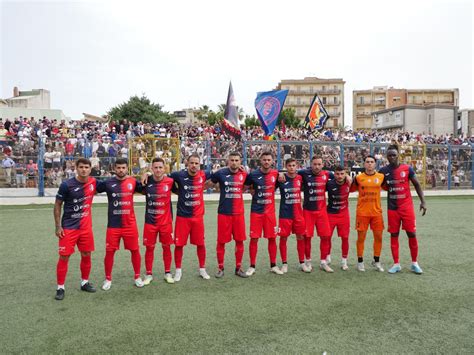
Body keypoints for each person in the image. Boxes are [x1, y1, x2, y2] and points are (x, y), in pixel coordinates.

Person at [53, 158, 98, 301]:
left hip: (86, 228)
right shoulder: (67, 185)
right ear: (76, 168)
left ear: (90, 169)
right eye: (81, 167)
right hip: (69, 228)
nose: (84, 169)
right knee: (64, 256)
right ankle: (60, 287)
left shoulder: (94, 182)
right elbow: (58, 204)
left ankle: (84, 282)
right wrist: (58, 226)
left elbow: (116, 181)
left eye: (86, 167)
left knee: (86, 254)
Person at [97, 158, 144, 290]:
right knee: (110, 252)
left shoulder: (133, 182)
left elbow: (146, 188)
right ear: (114, 168)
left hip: (130, 224)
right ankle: (108, 279)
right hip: (113, 225)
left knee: (135, 250)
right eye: (118, 168)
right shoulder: (107, 183)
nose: (121, 170)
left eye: (123, 168)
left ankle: (137, 276)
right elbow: (92, 186)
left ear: (127, 168)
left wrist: (147, 175)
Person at [379, 145, 427, 274]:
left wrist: (423, 201)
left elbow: (416, 184)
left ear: (398, 155)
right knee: (394, 235)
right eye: (389, 155)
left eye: (394, 155)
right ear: (386, 157)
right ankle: (396, 264)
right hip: (392, 208)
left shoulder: (407, 169)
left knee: (411, 233)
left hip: (406, 207)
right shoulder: (383, 171)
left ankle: (414, 263)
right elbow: (381, 185)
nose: (392, 157)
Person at [165, 153, 212, 281]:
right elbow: (165, 179)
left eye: (197, 163)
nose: (194, 166)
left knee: (200, 244)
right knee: (179, 245)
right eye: (192, 163)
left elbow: (220, 174)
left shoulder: (204, 174)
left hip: (198, 217)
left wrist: (240, 167)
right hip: (182, 217)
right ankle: (178, 271)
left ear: (200, 165)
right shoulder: (178, 175)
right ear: (187, 163)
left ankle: (202, 269)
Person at [209, 152, 248, 278]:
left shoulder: (244, 174)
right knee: (221, 242)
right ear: (228, 161)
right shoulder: (221, 173)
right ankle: (220, 268)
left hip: (238, 214)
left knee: (240, 241)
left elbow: (250, 186)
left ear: (240, 161)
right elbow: (209, 183)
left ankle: (238, 267)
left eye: (237, 160)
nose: (234, 162)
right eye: (232, 160)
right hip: (224, 213)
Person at [244, 152, 282, 276]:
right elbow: (246, 186)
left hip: (270, 213)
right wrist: (250, 190)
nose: (266, 162)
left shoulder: (276, 174)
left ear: (272, 161)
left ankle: (273, 265)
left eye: (269, 160)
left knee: (272, 238)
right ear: (261, 160)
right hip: (256, 212)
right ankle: (252, 266)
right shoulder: (253, 174)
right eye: (264, 159)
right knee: (254, 238)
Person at [141, 158, 175, 285]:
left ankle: (167, 273)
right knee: (149, 248)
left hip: (166, 222)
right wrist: (144, 174)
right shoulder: (146, 181)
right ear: (151, 169)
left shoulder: (171, 181)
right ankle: (148, 274)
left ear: (164, 168)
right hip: (150, 222)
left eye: (160, 167)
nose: (158, 170)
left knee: (166, 247)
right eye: (155, 168)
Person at [298, 156, 334, 273]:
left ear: (322, 164)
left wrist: (348, 176)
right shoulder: (304, 173)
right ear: (311, 164)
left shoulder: (327, 174)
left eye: (319, 164)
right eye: (314, 164)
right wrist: (282, 175)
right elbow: (291, 172)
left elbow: (341, 175)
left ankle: (323, 262)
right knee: (307, 237)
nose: (317, 166)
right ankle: (308, 261)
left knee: (325, 236)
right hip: (308, 211)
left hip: (322, 212)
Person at [350, 155, 385, 272]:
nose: (369, 164)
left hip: (377, 213)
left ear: (375, 164)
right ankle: (360, 261)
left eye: (371, 162)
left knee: (379, 237)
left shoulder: (381, 177)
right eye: (367, 162)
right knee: (361, 238)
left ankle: (376, 260)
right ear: (364, 164)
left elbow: (388, 188)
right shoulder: (359, 178)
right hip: (362, 213)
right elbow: (350, 189)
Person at [276, 158, 306, 273]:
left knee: (300, 237)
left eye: (293, 165)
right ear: (286, 166)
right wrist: (280, 172)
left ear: (297, 166)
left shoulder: (300, 177)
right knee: (283, 237)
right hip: (285, 214)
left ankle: (302, 262)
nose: (292, 167)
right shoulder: (281, 179)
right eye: (289, 165)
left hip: (298, 214)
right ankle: (284, 263)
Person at [326, 166, 351, 271]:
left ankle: (344, 261)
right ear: (334, 174)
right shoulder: (329, 184)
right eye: (337, 174)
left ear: (345, 174)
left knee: (345, 238)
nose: (340, 176)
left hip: (344, 214)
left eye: (342, 174)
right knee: (327, 237)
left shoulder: (349, 182)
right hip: (330, 214)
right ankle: (327, 257)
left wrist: (349, 176)